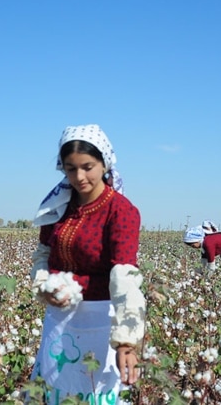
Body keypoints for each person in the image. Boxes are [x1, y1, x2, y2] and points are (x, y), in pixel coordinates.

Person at [29, 124, 145, 404]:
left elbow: (124, 276)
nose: (79, 176)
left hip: (101, 322)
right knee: (57, 391)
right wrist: (43, 285)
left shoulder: (121, 211)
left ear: (104, 163)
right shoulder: (58, 206)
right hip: (59, 321)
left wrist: (126, 342)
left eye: (87, 167)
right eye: (70, 168)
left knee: (95, 391)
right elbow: (43, 253)